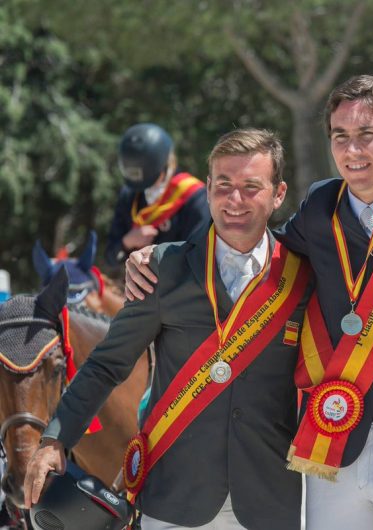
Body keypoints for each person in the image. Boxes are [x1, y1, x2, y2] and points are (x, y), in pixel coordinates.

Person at [126, 75, 373, 530]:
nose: (352, 150)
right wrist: (164, 256)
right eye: (340, 137)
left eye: (367, 135)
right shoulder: (318, 206)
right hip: (332, 447)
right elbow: (251, 245)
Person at [24, 129, 314, 529]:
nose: (235, 200)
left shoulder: (302, 274)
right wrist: (56, 439)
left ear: (278, 193)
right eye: (224, 185)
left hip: (271, 498)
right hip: (176, 498)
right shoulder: (162, 268)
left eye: (251, 187)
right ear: (208, 186)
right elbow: (107, 363)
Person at [104, 123, 210, 268]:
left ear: (164, 164)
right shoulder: (130, 194)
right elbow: (110, 258)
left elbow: (197, 259)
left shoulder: (195, 198)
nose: (145, 188)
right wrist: (127, 242)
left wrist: (154, 253)